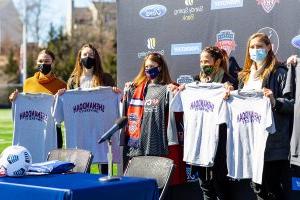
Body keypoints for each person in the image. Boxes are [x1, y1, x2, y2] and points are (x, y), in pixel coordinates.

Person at [237, 33, 293, 200]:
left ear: (269, 47)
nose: (255, 50)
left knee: (273, 189)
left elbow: (292, 104)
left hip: (273, 144)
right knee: (257, 188)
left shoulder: (280, 72)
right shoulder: (244, 76)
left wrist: (274, 101)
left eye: (260, 46)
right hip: (251, 142)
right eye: (252, 47)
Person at [180, 46, 236, 200]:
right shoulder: (195, 82)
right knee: (205, 187)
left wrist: (229, 92)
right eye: (201, 61)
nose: (203, 64)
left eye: (207, 61)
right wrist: (181, 89)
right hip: (200, 141)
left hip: (219, 142)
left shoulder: (228, 82)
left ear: (217, 62)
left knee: (221, 185)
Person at [121, 52, 186, 187]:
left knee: (160, 184)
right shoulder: (138, 89)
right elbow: (125, 107)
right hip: (141, 144)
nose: (148, 69)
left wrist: (179, 90)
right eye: (146, 67)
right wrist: (126, 91)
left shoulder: (169, 88)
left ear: (160, 67)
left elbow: (179, 110)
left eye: (152, 66)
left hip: (160, 143)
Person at [57, 43, 118, 175]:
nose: (88, 57)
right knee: (83, 163)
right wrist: (63, 95)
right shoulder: (73, 80)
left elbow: (112, 101)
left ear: (96, 58)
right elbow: (69, 104)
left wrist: (114, 92)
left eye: (91, 55)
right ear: (79, 58)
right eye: (85, 54)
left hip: (101, 127)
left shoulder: (105, 78)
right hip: (81, 128)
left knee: (104, 165)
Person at [9, 49, 67, 149]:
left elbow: (62, 113)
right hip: (32, 129)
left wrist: (61, 98)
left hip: (53, 131)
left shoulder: (61, 85)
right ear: (36, 62)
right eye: (40, 61)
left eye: (47, 61)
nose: (43, 64)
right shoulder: (28, 82)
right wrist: (14, 99)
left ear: (52, 62)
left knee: (52, 162)